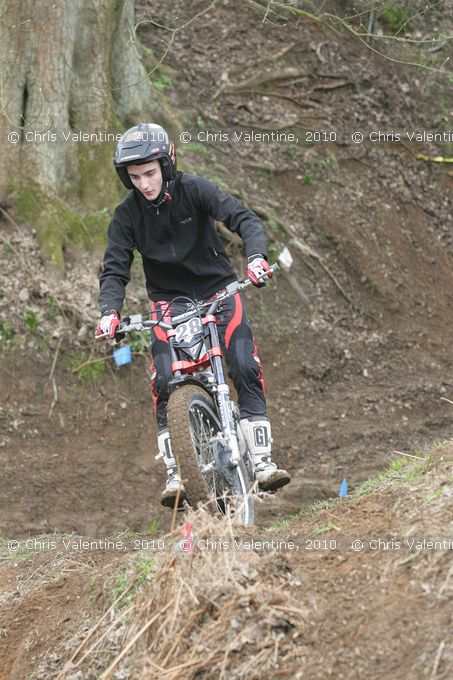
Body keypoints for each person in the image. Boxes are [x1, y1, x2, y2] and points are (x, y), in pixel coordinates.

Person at [97, 123, 290, 508]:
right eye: (135, 178)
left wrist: (255, 257)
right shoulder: (127, 215)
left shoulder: (195, 189)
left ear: (166, 165)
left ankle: (263, 461)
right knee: (165, 380)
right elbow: (115, 268)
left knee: (242, 364)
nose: (145, 184)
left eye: (150, 173)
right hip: (169, 302)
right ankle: (175, 470)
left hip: (218, 289)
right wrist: (109, 312)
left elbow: (244, 219)